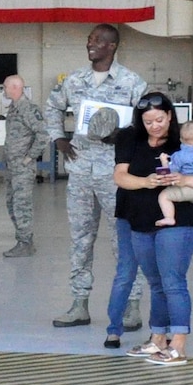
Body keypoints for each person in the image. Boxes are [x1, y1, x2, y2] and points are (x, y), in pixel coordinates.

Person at [46, 24, 148, 329]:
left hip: (116, 174)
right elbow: (52, 107)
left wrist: (124, 137)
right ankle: (79, 304)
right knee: (80, 240)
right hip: (79, 172)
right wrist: (58, 138)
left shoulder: (132, 82)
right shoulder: (74, 79)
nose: (91, 44)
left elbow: (150, 123)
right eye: (90, 39)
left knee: (124, 241)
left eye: (98, 41)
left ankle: (131, 306)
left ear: (112, 46)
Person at [108, 93, 193, 364]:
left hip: (178, 222)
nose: (154, 125)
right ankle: (157, 339)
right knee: (156, 283)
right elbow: (120, 176)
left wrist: (187, 178)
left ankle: (178, 344)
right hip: (140, 222)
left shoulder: (186, 139)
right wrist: (148, 182)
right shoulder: (130, 138)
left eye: (160, 119)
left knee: (173, 283)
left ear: (170, 115)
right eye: (148, 121)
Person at [0, 75, 48, 259]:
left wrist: (29, 157)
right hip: (12, 167)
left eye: (6, 87)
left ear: (15, 87)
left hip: (22, 168)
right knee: (12, 204)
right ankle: (24, 240)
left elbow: (43, 134)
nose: (4, 90)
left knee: (21, 205)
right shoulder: (13, 109)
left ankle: (24, 243)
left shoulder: (28, 109)